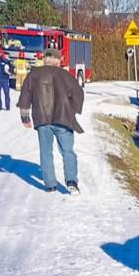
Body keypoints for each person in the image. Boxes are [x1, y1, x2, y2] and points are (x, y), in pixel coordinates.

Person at [18, 47, 85, 195]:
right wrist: (73, 109)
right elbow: (78, 93)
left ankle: (50, 184)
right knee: (67, 151)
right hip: (63, 119)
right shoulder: (65, 75)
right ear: (57, 60)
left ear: (45, 59)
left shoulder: (34, 74)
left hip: (42, 120)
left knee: (45, 151)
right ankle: (71, 182)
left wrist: (25, 117)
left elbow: (25, 96)